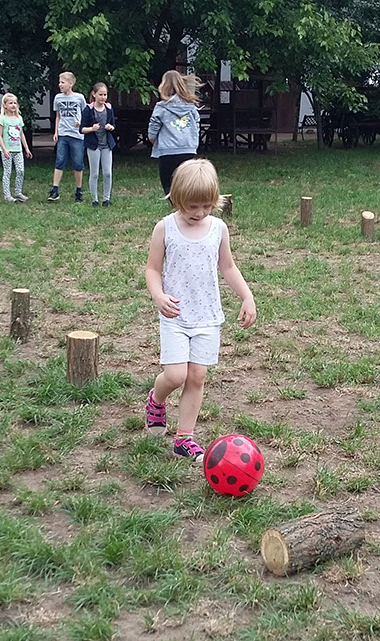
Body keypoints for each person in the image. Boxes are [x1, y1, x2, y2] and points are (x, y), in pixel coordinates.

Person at [142, 159, 256, 461]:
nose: (200, 212)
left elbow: (228, 267)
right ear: (177, 198)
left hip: (207, 316)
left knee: (197, 377)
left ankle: (184, 438)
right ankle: (156, 399)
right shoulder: (165, 228)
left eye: (206, 206)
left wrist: (247, 296)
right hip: (175, 315)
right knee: (176, 375)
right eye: (192, 206)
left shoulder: (218, 228)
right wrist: (158, 296)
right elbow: (152, 269)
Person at [148, 70, 202, 197]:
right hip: (188, 150)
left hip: (168, 151)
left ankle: (175, 206)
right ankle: (185, 205)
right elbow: (197, 126)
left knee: (168, 186)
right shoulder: (191, 106)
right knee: (186, 185)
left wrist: (153, 140)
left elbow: (153, 129)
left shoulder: (161, 107)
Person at [48, 71, 85, 203]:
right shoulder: (58, 98)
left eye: (62, 82)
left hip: (77, 135)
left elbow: (84, 113)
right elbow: (58, 116)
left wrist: (80, 123)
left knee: (78, 163)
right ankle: (55, 190)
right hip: (63, 134)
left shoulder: (79, 98)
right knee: (59, 161)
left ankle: (79, 191)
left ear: (71, 84)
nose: (60, 85)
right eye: (59, 82)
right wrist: (56, 132)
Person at [80, 82, 116, 208]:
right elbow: (81, 129)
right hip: (93, 145)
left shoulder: (109, 108)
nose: (103, 97)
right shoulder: (88, 110)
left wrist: (110, 127)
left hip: (106, 145)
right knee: (94, 173)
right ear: (94, 94)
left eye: (105, 95)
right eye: (100, 94)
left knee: (107, 173)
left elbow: (113, 125)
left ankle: (106, 199)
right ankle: (94, 199)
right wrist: (92, 128)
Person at [0, 92, 31, 203]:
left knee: (20, 171)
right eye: (10, 103)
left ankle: (18, 192)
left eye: (15, 103)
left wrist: (26, 148)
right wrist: (4, 149)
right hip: (7, 151)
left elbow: (21, 134)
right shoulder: (2, 119)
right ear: (5, 105)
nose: (13, 105)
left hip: (18, 150)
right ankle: (7, 195)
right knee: (7, 172)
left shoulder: (19, 118)